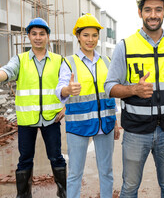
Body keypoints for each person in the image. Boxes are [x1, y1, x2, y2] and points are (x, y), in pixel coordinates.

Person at [104, 0, 164, 197]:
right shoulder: (125, 46)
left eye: (158, 9)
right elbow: (110, 87)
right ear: (139, 13)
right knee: (129, 188)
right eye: (148, 10)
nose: (153, 14)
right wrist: (133, 89)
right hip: (136, 131)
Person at [0, 17, 66, 198]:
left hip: (52, 118)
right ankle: (23, 195)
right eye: (34, 33)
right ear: (28, 36)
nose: (38, 37)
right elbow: (7, 71)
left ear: (47, 37)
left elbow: (68, 85)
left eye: (42, 34)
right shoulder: (20, 60)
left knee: (56, 157)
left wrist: (66, 107)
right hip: (27, 119)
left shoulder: (59, 60)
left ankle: (63, 191)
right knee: (25, 159)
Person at [55, 13, 120, 198]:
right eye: (85, 35)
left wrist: (115, 121)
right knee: (75, 173)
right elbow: (60, 89)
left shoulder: (106, 62)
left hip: (105, 124)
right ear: (78, 36)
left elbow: (110, 94)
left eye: (94, 35)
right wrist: (68, 89)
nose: (90, 40)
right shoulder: (69, 62)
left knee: (106, 172)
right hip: (78, 126)